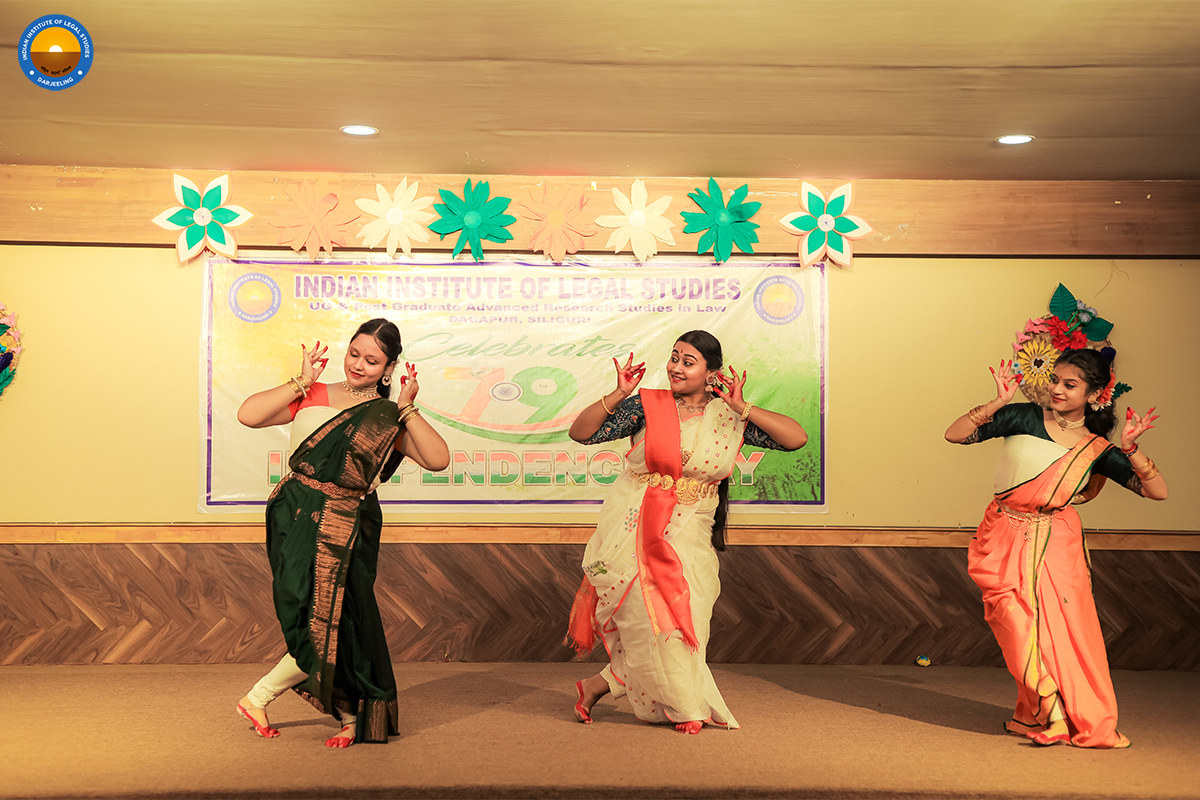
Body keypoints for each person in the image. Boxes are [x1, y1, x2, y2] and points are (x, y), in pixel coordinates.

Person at [567, 330, 807, 734]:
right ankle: (687, 707)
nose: (676, 367)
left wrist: (742, 406)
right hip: (637, 525)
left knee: (687, 616)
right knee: (647, 617)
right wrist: (619, 393)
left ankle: (598, 685)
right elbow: (581, 432)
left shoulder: (729, 415)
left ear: (712, 372)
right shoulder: (648, 407)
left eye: (688, 361)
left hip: (693, 528)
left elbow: (796, 438)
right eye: (674, 357)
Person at [233, 318, 449, 748]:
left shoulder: (386, 417)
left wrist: (406, 407)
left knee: (345, 619)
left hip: (351, 525)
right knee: (306, 615)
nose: (358, 365)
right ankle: (287, 701)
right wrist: (301, 380)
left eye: (372, 360)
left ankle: (335, 712)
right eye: (354, 353)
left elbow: (438, 459)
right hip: (297, 515)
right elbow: (248, 415)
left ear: (389, 369)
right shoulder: (312, 393)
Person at [945, 348, 1166, 748]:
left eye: (1070, 384)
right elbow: (955, 434)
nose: (1057, 389)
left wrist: (1132, 449)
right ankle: (1048, 709)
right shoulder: (1024, 416)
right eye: (1055, 380)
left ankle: (1057, 716)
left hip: (1055, 545)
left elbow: (1157, 492)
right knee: (1012, 620)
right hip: (1002, 533)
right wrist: (997, 402)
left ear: (1094, 394)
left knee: (1059, 632)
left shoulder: (1095, 448)